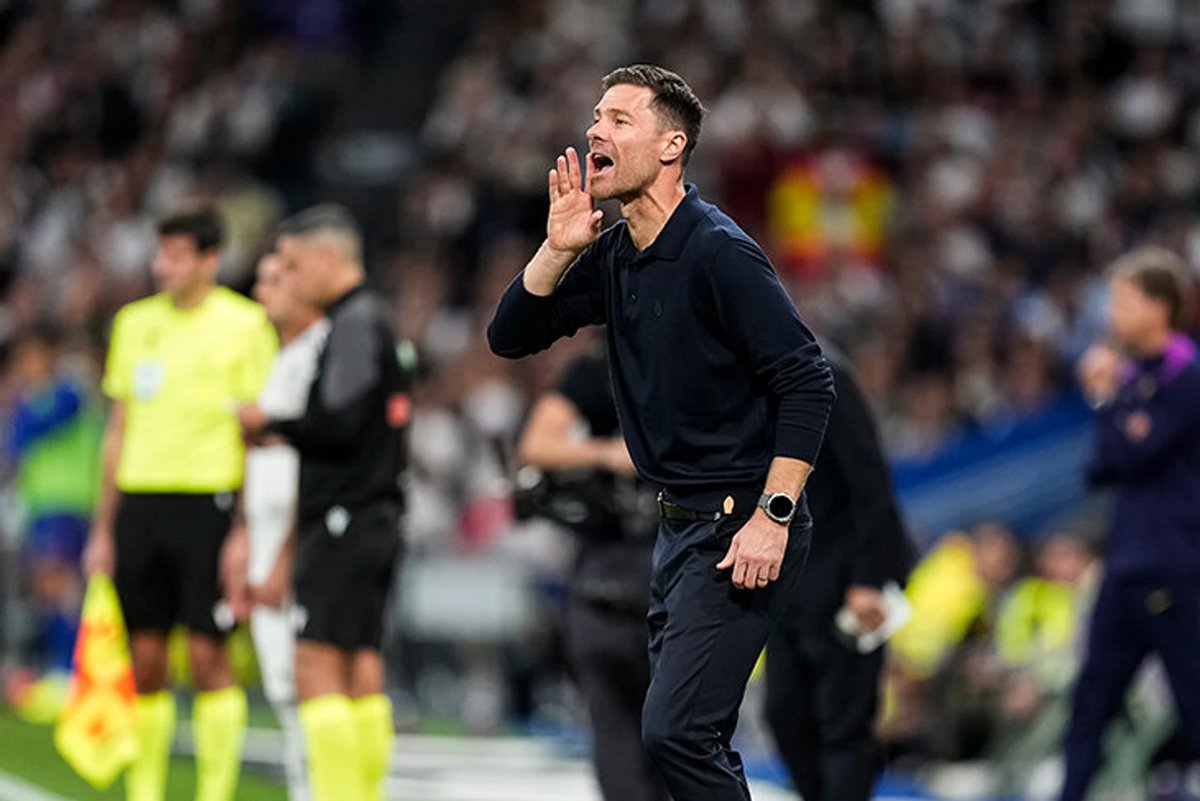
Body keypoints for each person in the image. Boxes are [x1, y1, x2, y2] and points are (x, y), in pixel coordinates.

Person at [487, 65, 835, 801]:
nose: (594, 131)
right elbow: (510, 335)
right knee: (676, 737)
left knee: (676, 732)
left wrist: (773, 516)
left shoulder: (718, 251)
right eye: (595, 117)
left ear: (671, 144)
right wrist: (555, 250)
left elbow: (807, 380)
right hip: (678, 527)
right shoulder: (616, 254)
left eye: (617, 119)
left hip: (742, 522)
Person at [82, 207, 278, 801]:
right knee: (145, 657)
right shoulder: (135, 323)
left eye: (174, 255)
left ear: (209, 260)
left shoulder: (245, 325)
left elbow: (257, 433)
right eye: (159, 253)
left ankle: (214, 792)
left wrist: (246, 527)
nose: (160, 266)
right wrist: (104, 528)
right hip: (142, 501)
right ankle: (145, 792)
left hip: (209, 502)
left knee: (206, 652)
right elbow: (117, 428)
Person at [237, 205, 414, 801]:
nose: (289, 276)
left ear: (327, 257)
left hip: (343, 518)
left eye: (292, 263)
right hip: (374, 517)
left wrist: (275, 424)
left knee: (315, 666)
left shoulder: (354, 322)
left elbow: (340, 420)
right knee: (360, 667)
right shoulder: (374, 319)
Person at [1061, 246, 1200, 801]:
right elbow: (1101, 467)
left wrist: (1104, 396)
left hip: (1173, 559)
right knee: (1091, 698)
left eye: (1123, 299)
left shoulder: (1184, 372)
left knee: (1192, 696)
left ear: (1159, 304)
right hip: (1126, 560)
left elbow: (1136, 454)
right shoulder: (1133, 376)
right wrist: (1116, 404)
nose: (1111, 312)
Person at [517, 345, 667, 801]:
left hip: (676, 578)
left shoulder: (709, 368)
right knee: (618, 741)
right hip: (610, 576)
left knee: (676, 742)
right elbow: (537, 445)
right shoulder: (601, 372)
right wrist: (607, 453)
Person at [764, 357, 913, 801]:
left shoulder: (824, 378)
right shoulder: (754, 387)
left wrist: (869, 578)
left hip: (845, 581)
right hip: (788, 587)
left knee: (844, 725)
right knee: (784, 715)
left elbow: (871, 483)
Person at [236, 252, 329, 800]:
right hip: (265, 532)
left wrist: (283, 557)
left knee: (309, 679)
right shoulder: (276, 356)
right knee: (281, 683)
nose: (261, 291)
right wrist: (245, 536)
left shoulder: (319, 357)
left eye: (274, 280)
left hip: (304, 540)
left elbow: (314, 469)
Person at [5, 325, 103, 690]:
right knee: (53, 589)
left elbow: (27, 431)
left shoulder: (68, 393)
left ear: (48, 356)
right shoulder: (32, 398)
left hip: (69, 504)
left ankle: (70, 670)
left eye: (31, 357)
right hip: (42, 505)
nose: (25, 365)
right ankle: (65, 668)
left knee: (59, 585)